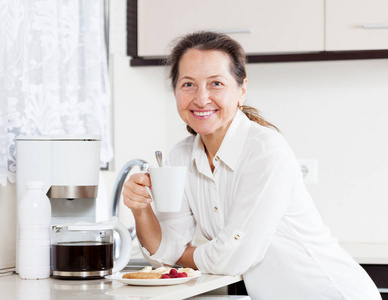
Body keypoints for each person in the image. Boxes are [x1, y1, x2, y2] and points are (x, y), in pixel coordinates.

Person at [123, 31, 381, 300]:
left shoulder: (265, 151)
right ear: (175, 90)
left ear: (242, 90)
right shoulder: (179, 157)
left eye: (216, 84)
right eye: (188, 84)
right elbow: (166, 253)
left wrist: (182, 255)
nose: (201, 98)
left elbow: (232, 258)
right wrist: (141, 211)